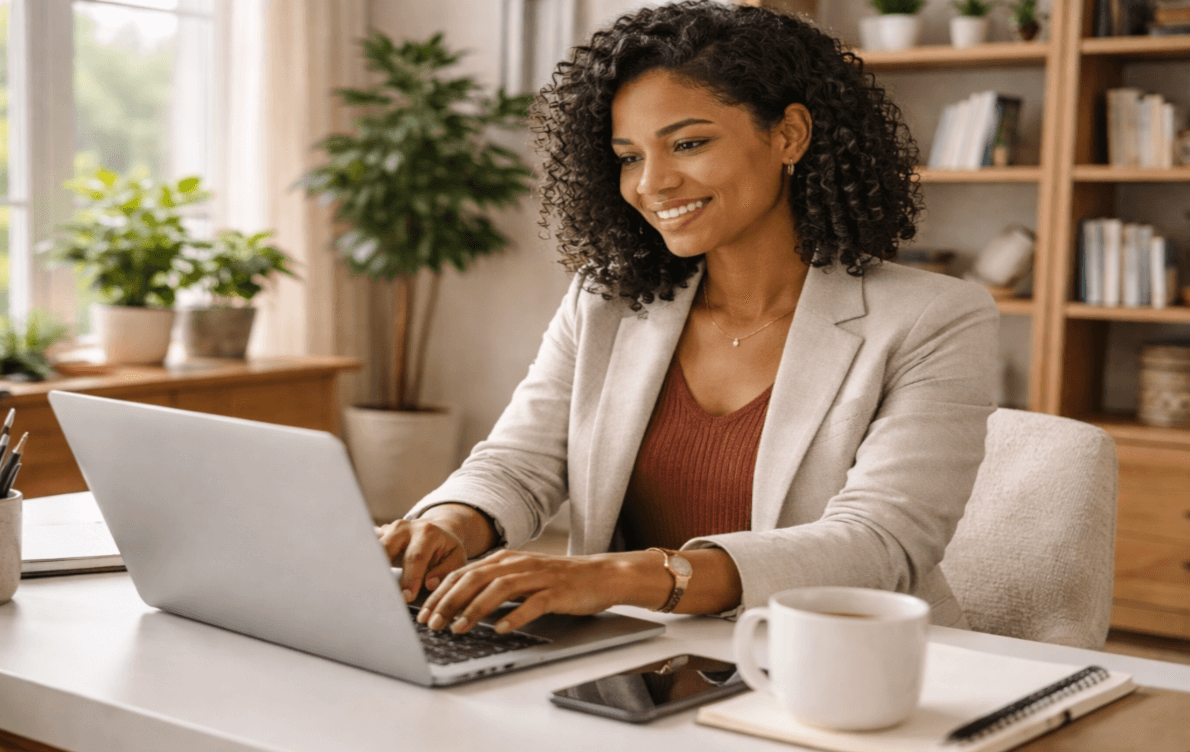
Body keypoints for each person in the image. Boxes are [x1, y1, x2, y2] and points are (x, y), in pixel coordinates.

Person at [377, 0, 999, 636]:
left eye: (689, 143)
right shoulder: (607, 301)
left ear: (789, 135)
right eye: (628, 157)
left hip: (841, 664)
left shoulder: (936, 319)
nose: (653, 183)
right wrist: (447, 522)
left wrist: (620, 577)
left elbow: (878, 544)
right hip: (637, 666)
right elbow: (519, 462)